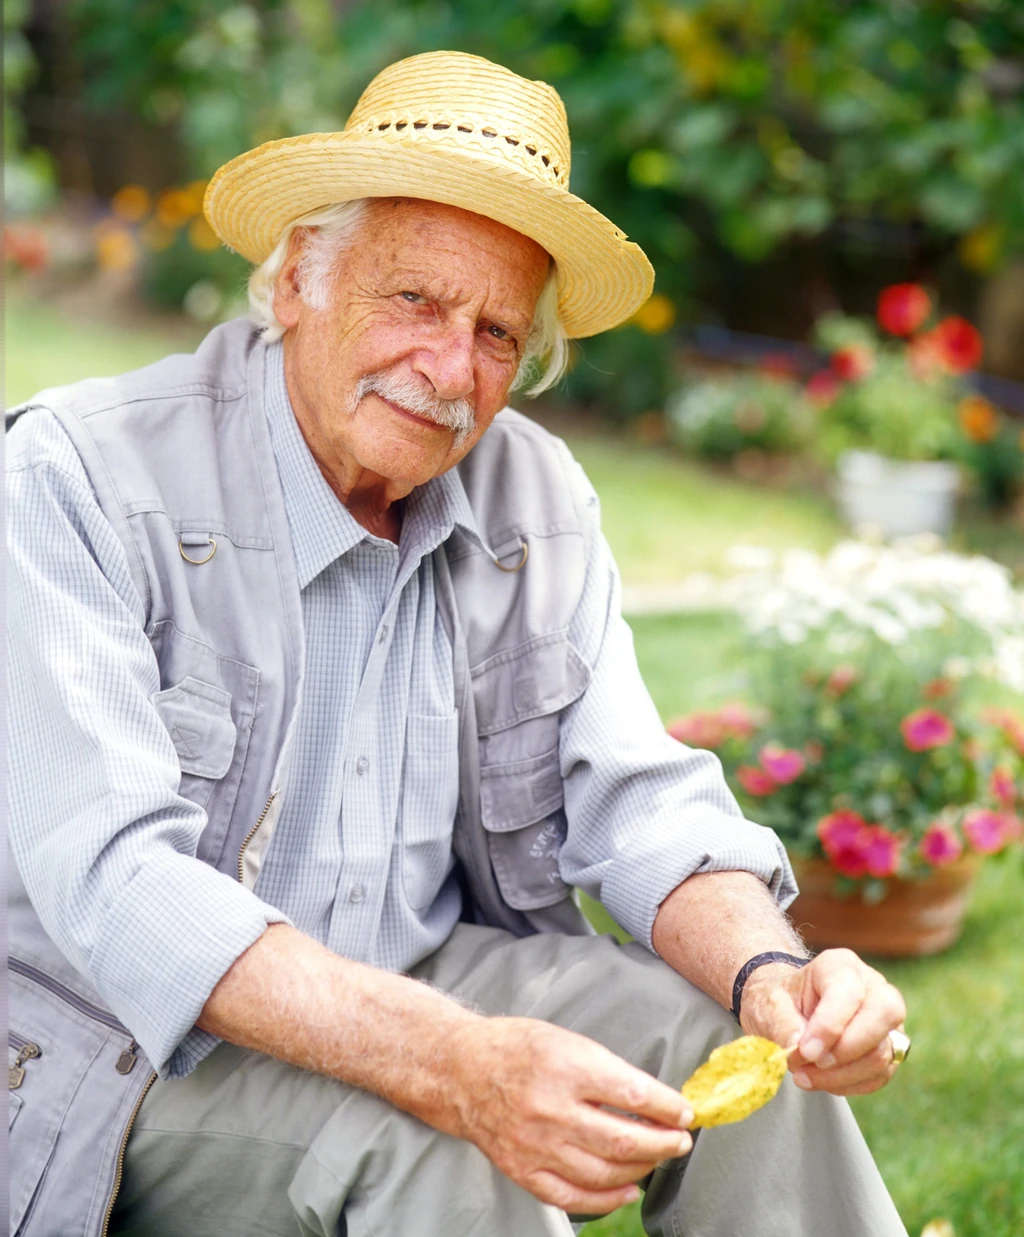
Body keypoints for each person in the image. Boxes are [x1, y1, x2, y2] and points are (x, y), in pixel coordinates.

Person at [7, 51, 910, 1237]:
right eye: (414, 300)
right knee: (449, 1141)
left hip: (433, 983)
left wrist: (770, 976)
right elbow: (121, 888)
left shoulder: (530, 490)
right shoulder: (74, 474)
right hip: (134, 1059)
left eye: (496, 332)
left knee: (737, 1047)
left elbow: (640, 803)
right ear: (293, 284)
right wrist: (453, 1063)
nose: (449, 370)